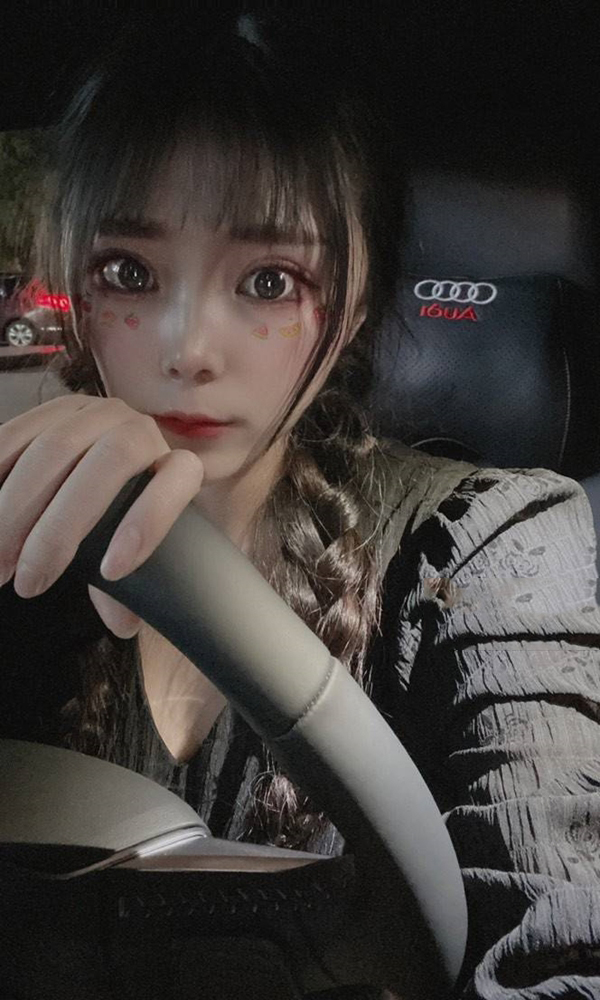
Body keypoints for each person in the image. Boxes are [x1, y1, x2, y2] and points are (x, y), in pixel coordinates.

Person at [1, 6, 600, 998]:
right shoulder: (29, 554)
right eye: (130, 273)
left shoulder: (495, 546)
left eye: (270, 280)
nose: (189, 347)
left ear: (356, 306)